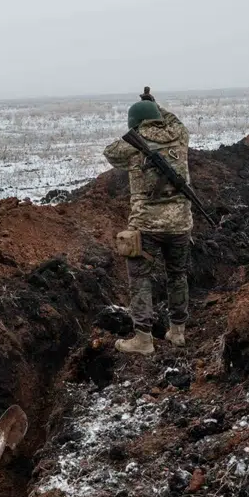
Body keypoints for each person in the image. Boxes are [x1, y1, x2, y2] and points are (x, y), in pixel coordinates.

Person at [103, 88, 193, 356]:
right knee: (178, 275)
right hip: (180, 223)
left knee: (140, 279)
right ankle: (177, 333)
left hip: (146, 225)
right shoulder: (180, 135)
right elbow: (173, 120)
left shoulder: (133, 142)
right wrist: (156, 106)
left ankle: (143, 339)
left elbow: (110, 153)